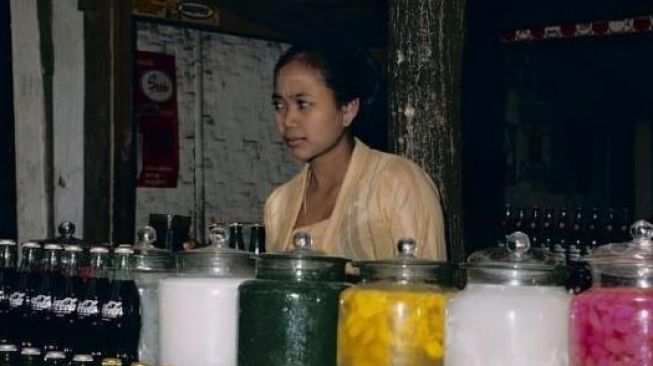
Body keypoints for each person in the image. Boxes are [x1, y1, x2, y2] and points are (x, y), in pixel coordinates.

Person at [264, 35, 446, 261]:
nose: (288, 120)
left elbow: (428, 290)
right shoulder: (279, 204)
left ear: (348, 109)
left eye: (303, 104)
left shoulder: (397, 183)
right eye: (278, 105)